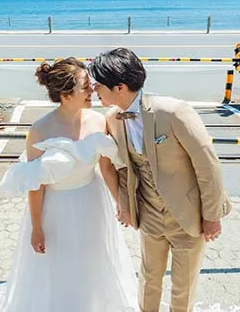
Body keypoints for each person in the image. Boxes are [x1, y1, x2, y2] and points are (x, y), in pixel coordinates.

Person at [89, 47, 232, 312]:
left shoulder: (174, 111)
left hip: (189, 215)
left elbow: (207, 165)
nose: (95, 89)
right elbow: (123, 169)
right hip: (149, 214)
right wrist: (125, 206)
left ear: (119, 87)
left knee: (183, 286)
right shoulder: (112, 119)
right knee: (148, 279)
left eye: (99, 84)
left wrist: (212, 216)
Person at [0, 57, 138, 312]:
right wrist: (37, 227)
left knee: (93, 261)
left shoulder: (98, 120)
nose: (92, 90)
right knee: (58, 265)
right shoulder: (40, 130)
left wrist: (121, 204)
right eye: (85, 86)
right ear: (65, 94)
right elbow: (35, 184)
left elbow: (106, 167)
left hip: (92, 202)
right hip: (56, 209)